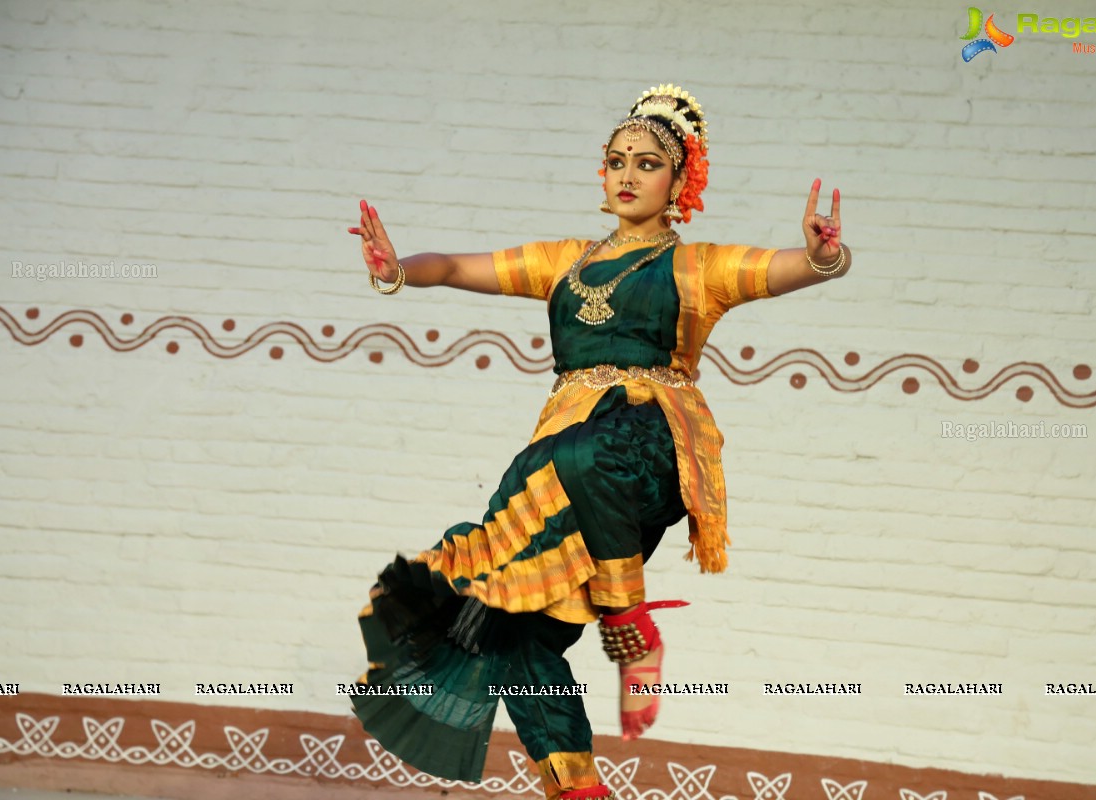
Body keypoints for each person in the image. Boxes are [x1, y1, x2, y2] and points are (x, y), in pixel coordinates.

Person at [345, 83, 851, 800]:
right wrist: (399, 271)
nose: (626, 174)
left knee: (586, 452)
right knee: (509, 633)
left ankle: (631, 625)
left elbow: (786, 270)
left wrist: (824, 256)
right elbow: (458, 268)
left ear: (680, 182)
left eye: (647, 163)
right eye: (616, 160)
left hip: (645, 446)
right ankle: (577, 789)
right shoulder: (565, 261)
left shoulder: (697, 268)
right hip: (558, 464)